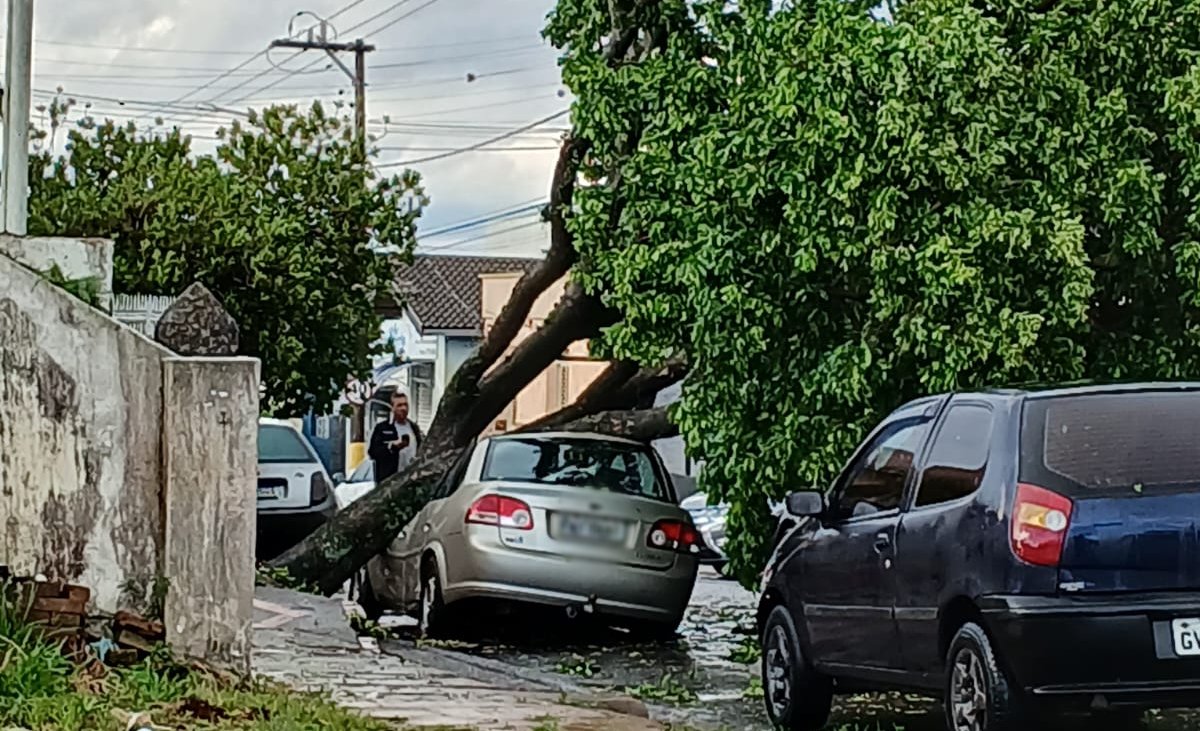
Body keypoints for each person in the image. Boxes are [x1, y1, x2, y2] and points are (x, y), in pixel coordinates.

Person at [367, 391, 422, 483]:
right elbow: (373, 452)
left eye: (405, 405)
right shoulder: (382, 428)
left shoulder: (413, 428)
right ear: (392, 408)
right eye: (399, 405)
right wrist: (391, 447)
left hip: (410, 480)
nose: (403, 408)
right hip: (390, 481)